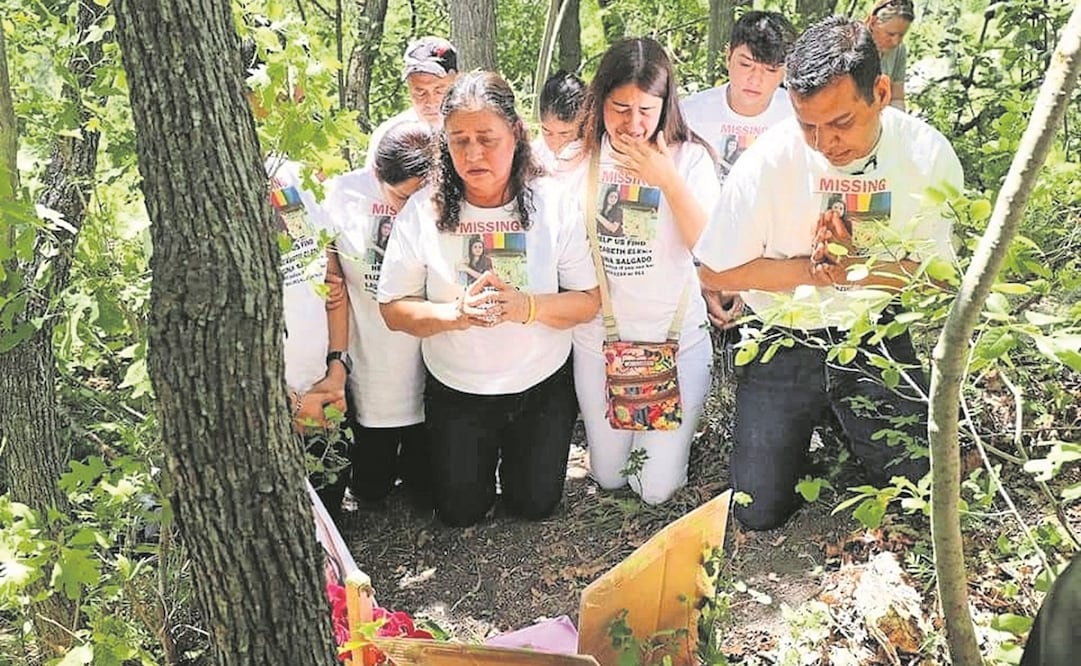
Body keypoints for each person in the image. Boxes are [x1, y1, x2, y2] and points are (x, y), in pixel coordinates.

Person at [695, 16, 963, 531]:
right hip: (781, 335)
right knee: (756, 511)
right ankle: (817, 423)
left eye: (841, 122)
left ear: (879, 93)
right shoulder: (771, 159)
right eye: (808, 125)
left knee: (921, 493)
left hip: (873, 332)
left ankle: (844, 421)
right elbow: (715, 271)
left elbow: (941, 279)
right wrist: (813, 272)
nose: (824, 142)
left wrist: (858, 270)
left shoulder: (925, 156)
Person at [378, 71, 600, 527]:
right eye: (459, 141)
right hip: (458, 389)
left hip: (540, 385)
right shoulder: (425, 209)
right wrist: (454, 314)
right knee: (460, 513)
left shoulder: (552, 202)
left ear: (516, 133)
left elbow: (587, 300)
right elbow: (393, 308)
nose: (473, 154)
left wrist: (527, 307)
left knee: (535, 506)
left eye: (487, 139)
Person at [572, 37, 721, 505]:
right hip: (600, 344)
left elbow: (710, 251)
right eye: (620, 109)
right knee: (610, 477)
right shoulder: (578, 158)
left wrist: (667, 181)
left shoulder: (691, 159)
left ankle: (672, 447)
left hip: (674, 343)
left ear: (665, 105)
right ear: (600, 101)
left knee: (653, 489)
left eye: (646, 110)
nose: (633, 124)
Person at [321, 122, 434, 506]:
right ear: (376, 174)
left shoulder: (439, 195)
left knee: (426, 486)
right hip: (368, 368)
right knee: (371, 488)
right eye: (402, 197)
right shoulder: (343, 194)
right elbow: (327, 266)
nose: (411, 208)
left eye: (419, 196)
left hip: (428, 369)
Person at [682, 10, 798, 333]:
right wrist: (706, 277)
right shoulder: (689, 115)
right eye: (746, 64)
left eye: (770, 70)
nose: (755, 79)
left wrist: (746, 281)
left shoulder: (800, 117)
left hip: (772, 272)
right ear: (728, 56)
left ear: (785, 71)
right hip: (695, 267)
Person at [364, 36, 458, 168]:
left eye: (439, 91)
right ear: (409, 88)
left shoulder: (477, 129)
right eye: (420, 92)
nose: (430, 102)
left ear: (457, 82)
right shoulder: (390, 137)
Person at [533, 70, 588, 180]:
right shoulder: (534, 153)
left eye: (564, 134)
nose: (555, 143)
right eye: (547, 132)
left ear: (581, 123)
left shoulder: (593, 158)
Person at [867, 0, 915, 111]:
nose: (895, 42)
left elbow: (897, 98)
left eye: (901, 35)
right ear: (873, 23)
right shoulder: (851, 45)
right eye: (890, 34)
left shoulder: (899, 50)